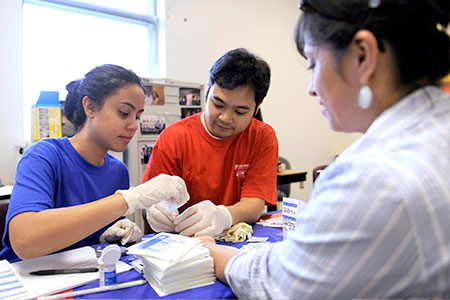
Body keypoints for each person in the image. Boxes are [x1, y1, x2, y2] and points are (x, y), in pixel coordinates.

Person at [199, 0, 450, 299]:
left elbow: (283, 286)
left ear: (362, 56)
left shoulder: (372, 178)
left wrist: (215, 254)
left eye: (314, 64)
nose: (311, 88)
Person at [0, 64, 189, 262]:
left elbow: (86, 237)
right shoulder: (43, 156)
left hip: (80, 278)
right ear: (90, 107)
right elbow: (25, 241)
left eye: (138, 116)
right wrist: (130, 199)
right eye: (124, 113)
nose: (133, 125)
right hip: (27, 279)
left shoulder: (118, 172)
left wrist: (108, 235)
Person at [142, 48, 279, 237]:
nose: (225, 118)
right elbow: (149, 200)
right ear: (208, 89)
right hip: (181, 244)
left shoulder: (262, 137)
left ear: (258, 106)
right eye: (218, 104)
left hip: (234, 243)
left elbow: (254, 204)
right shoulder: (174, 138)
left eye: (239, 112)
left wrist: (223, 215)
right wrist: (154, 211)